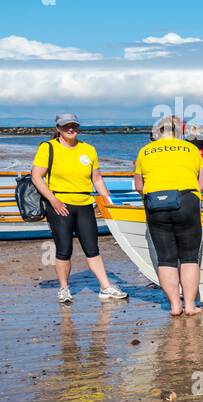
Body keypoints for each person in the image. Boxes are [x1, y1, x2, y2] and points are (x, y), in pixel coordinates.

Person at [30, 113, 129, 304]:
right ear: (58, 128)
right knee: (63, 249)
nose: (70, 129)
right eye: (66, 125)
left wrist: (108, 201)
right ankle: (64, 289)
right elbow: (36, 177)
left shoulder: (88, 149)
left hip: (84, 204)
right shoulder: (48, 147)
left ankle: (106, 287)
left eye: (74, 125)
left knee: (92, 248)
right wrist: (53, 200)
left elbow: (97, 179)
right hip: (60, 205)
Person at [134, 115, 203, 315]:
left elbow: (139, 186)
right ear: (179, 132)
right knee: (189, 257)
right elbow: (201, 185)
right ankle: (191, 306)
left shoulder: (144, 151)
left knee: (166, 258)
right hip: (186, 200)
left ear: (157, 133)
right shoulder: (192, 149)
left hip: (156, 202)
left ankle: (175, 306)